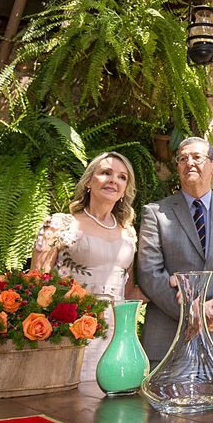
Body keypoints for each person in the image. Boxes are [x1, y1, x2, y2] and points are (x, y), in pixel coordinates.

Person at [135, 137, 213, 366]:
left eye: (197, 157)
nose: (189, 162)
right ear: (177, 168)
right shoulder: (155, 213)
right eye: (182, 159)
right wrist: (192, 312)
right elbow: (149, 273)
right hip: (170, 338)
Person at [32, 151, 147, 383]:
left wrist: (172, 287)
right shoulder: (59, 224)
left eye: (122, 177)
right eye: (106, 173)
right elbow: (36, 283)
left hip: (115, 332)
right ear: (88, 182)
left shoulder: (129, 234)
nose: (114, 180)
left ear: (125, 190)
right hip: (68, 328)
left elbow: (129, 292)